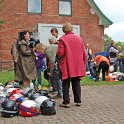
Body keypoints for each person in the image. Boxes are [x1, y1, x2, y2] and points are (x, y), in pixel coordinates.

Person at [57, 22, 86, 108]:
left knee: (65, 82)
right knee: (76, 82)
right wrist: (83, 63)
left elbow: (61, 53)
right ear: (72, 29)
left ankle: (66, 102)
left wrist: (57, 52)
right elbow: (84, 53)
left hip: (67, 64)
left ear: (63, 29)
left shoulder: (62, 39)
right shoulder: (79, 39)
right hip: (77, 64)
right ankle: (78, 101)